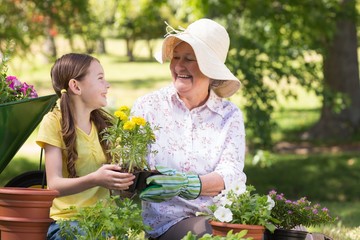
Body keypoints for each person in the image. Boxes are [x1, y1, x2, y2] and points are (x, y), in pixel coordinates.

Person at [131, 18, 247, 239]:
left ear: (210, 70)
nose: (178, 66)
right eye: (175, 57)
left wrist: (188, 184)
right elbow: (129, 170)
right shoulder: (148, 107)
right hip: (167, 225)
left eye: (189, 59)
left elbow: (231, 174)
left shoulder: (229, 115)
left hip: (220, 217)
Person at [36, 53, 135, 240]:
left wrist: (130, 179)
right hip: (68, 223)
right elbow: (54, 185)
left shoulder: (105, 125)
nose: (107, 85)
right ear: (76, 86)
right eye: (100, 78)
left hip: (106, 221)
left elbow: (119, 186)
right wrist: (95, 179)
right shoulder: (54, 122)